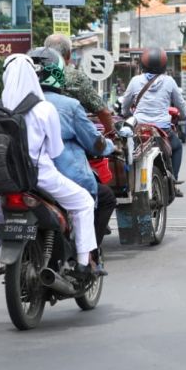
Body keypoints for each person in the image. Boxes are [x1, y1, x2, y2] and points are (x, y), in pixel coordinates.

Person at [0, 53, 100, 278]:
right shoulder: (44, 109)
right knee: (83, 202)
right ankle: (83, 263)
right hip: (40, 178)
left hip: (5, 180)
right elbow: (55, 151)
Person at [29, 48, 117, 267]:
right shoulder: (67, 106)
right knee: (103, 198)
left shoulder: (13, 104)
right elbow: (94, 142)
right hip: (61, 174)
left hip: (20, 176)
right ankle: (87, 256)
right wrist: (110, 146)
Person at [121, 46, 186, 195]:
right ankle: (174, 181)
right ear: (164, 66)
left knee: (129, 151)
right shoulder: (169, 81)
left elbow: (125, 104)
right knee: (177, 147)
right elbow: (180, 104)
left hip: (139, 128)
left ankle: (127, 182)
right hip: (162, 129)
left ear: (143, 65)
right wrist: (183, 115)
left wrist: (125, 113)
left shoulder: (135, 80)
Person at [43, 33, 116, 135]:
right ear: (68, 54)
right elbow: (103, 112)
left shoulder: (35, 73)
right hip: (70, 138)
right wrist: (109, 134)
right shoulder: (75, 77)